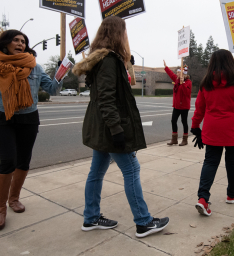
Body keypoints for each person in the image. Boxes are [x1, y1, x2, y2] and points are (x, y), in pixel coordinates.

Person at [72, 16, 169, 238]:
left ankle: (91, 217)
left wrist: (126, 64)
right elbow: (107, 98)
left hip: (102, 125)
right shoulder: (108, 61)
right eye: (124, 32)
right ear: (118, 34)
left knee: (96, 172)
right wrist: (116, 130)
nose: (127, 36)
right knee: (132, 170)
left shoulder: (106, 59)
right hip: (110, 127)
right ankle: (143, 222)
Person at [0, 30, 63, 230]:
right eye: (15, 40)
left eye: (23, 41)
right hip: (2, 117)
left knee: (23, 161)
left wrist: (60, 73)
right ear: (5, 43)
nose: (20, 43)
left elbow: (51, 89)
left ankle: (13, 199)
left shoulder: (34, 66)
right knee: (8, 161)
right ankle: (0, 210)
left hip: (28, 118)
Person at [191, 50, 234, 216]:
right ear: (230, 62)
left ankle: (203, 198)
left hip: (212, 129)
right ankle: (232, 193)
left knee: (210, 162)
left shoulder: (206, 83)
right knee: (233, 162)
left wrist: (195, 127)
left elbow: (200, 108)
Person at [164, 61, 192, 146]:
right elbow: (171, 74)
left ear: (183, 74)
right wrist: (166, 67)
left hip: (184, 106)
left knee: (184, 122)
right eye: (177, 73)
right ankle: (174, 139)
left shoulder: (188, 82)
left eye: (178, 73)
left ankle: (185, 139)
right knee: (173, 121)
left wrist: (182, 83)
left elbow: (187, 93)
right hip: (176, 106)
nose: (177, 74)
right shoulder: (176, 80)